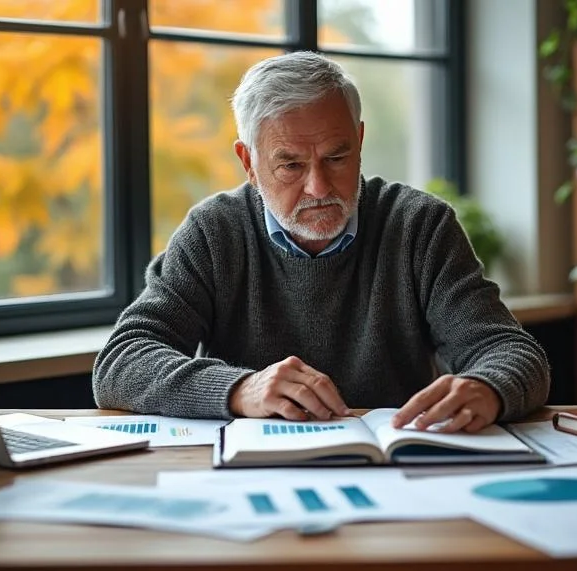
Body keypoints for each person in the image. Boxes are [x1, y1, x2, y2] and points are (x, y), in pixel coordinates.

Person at [92, 51, 551, 433]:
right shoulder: (215, 232)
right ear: (248, 162)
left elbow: (513, 353)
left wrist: (488, 387)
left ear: (360, 139)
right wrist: (239, 389)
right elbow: (121, 363)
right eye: (290, 165)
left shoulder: (419, 226)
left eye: (337, 156)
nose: (319, 187)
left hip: (398, 470)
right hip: (250, 476)